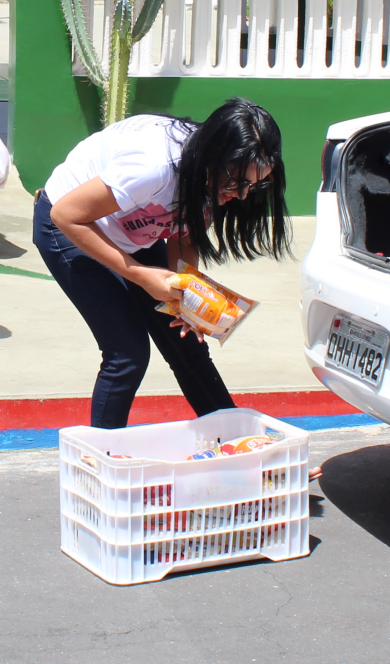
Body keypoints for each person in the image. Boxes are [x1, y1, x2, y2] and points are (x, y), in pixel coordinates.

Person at [34, 99, 290, 429]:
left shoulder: (218, 171)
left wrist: (187, 293)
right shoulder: (154, 167)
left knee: (188, 345)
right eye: (237, 183)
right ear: (213, 157)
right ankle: (103, 461)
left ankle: (236, 446)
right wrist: (137, 274)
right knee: (127, 354)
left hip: (136, 229)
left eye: (255, 185)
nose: (242, 195)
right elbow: (66, 215)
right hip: (72, 226)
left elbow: (184, 235)